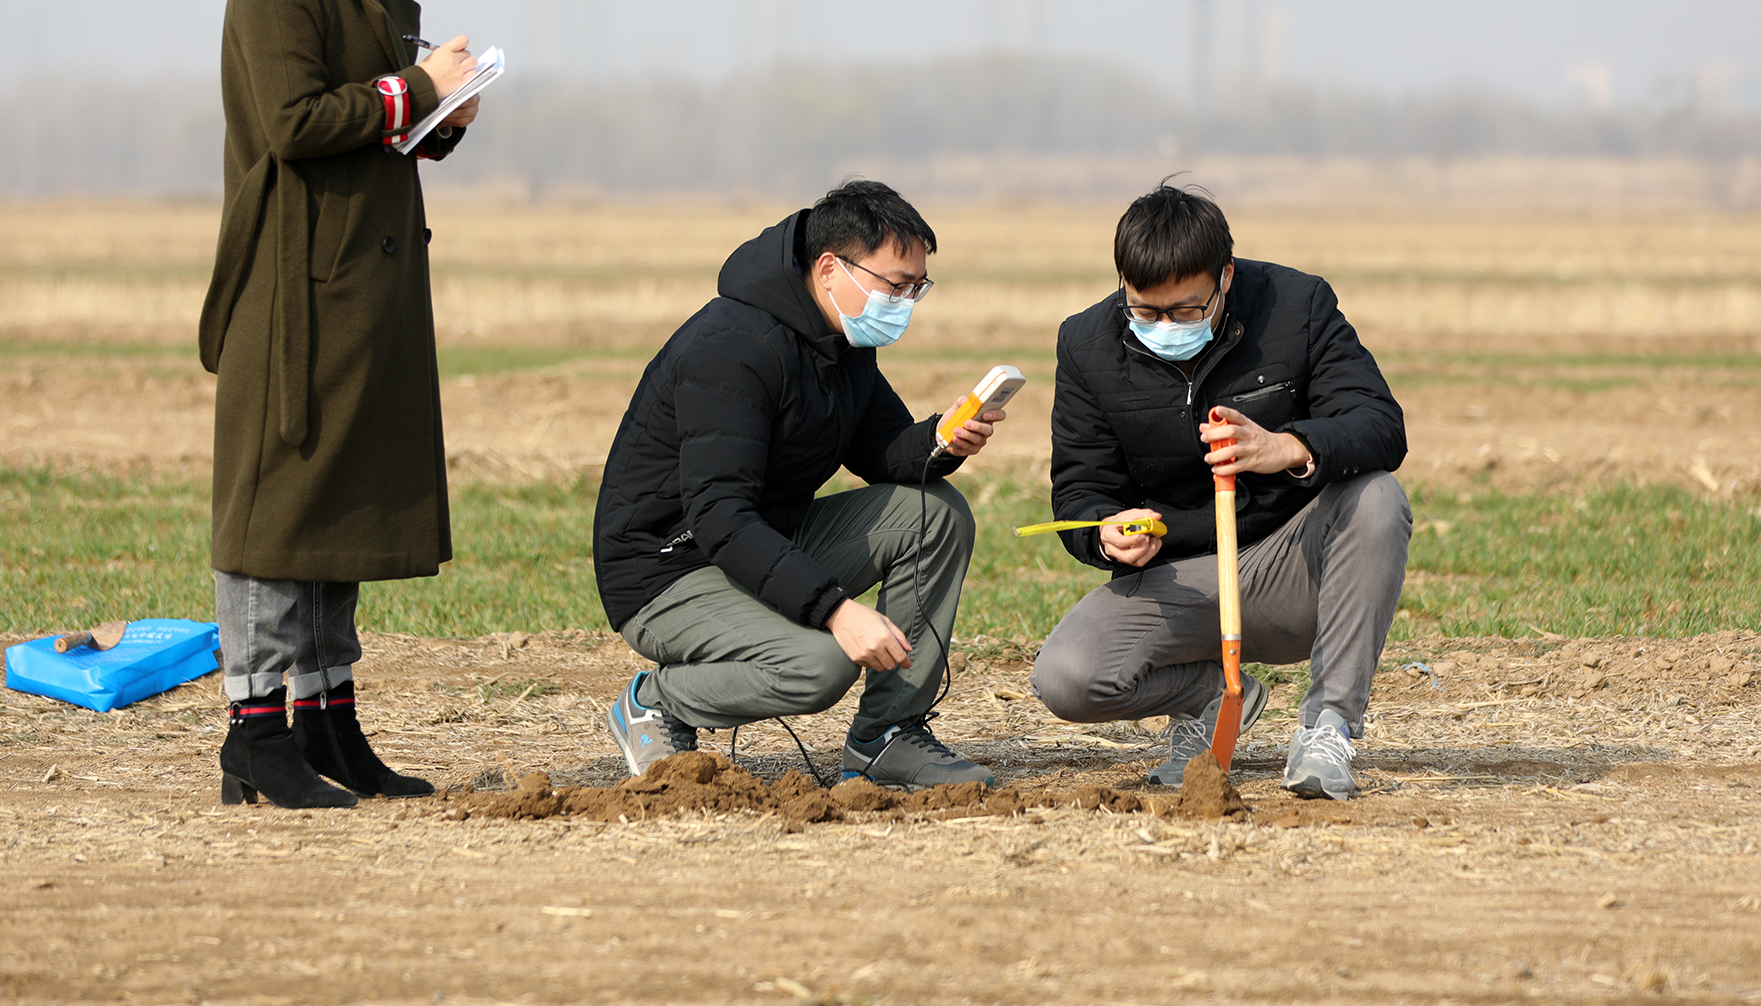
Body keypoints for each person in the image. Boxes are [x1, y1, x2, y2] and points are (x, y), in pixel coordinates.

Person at [200, 0, 483, 809]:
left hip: (357, 283)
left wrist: (436, 113)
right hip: (295, 286)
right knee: (277, 510)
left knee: (337, 508)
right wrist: (413, 90)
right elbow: (294, 121)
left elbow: (365, 121)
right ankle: (254, 732)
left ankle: (326, 717)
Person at [593, 181, 1006, 789]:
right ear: (831, 267)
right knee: (820, 665)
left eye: (917, 288)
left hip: (763, 538)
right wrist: (836, 610)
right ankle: (656, 702)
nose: (905, 303)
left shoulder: (843, 341)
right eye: (895, 285)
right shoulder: (732, 347)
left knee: (935, 512)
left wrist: (939, 440)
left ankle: (888, 736)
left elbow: (883, 450)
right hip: (668, 568)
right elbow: (719, 515)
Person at [1032, 182, 1410, 800]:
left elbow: (1380, 425)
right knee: (1067, 678)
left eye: (1187, 310)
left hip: (1288, 568)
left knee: (1377, 498)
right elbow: (1080, 489)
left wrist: (1287, 447)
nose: (1165, 326)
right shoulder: (1084, 343)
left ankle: (1328, 728)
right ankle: (1207, 696)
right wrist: (1103, 532)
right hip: (1177, 582)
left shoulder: (1298, 305)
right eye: (1144, 311)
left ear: (1225, 276)